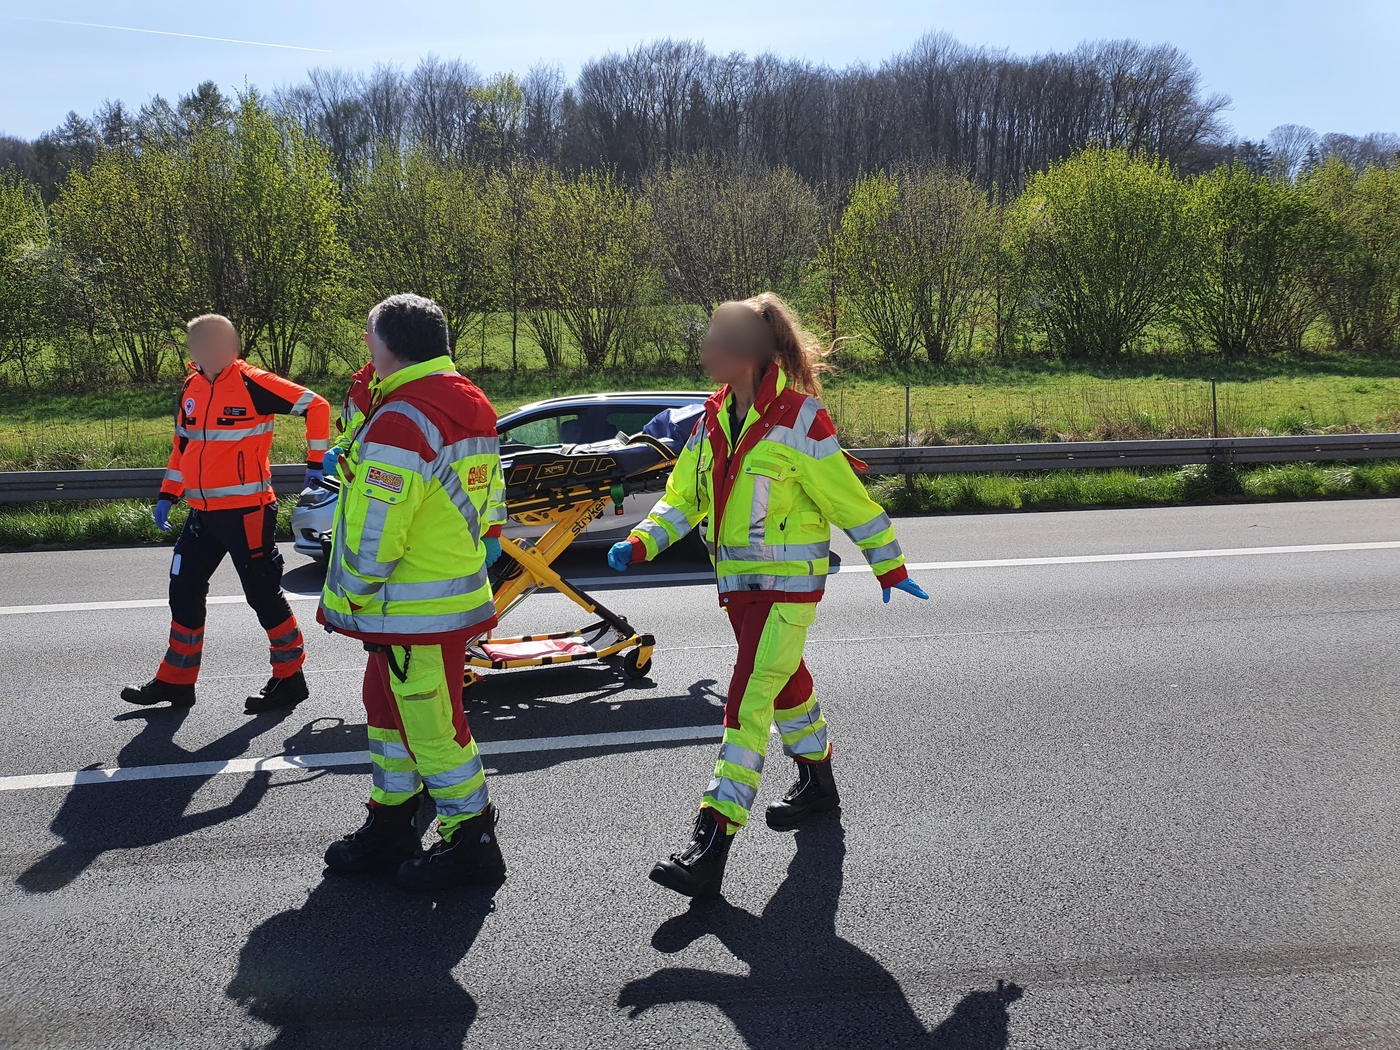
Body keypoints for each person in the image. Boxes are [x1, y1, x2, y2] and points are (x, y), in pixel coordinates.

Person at [608, 292, 929, 899]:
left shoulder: (801, 420)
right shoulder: (710, 418)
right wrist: (643, 541)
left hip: (787, 590)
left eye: (716, 338)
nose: (704, 347)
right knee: (786, 683)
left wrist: (889, 565)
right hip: (739, 590)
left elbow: (849, 501)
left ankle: (711, 841)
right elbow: (684, 498)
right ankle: (818, 782)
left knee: (746, 705)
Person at [318, 293, 507, 891]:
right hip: (433, 600)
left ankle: (472, 840)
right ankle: (391, 823)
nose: (365, 349)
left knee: (433, 729)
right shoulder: (464, 401)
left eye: (369, 339)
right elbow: (492, 499)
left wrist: (349, 595)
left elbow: (377, 533)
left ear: (385, 345)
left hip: (408, 608)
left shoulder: (403, 418)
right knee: (386, 711)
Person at [121, 314, 330, 715]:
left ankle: (290, 678)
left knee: (262, 594)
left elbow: (316, 405)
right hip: (202, 513)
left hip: (248, 512)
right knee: (183, 590)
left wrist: (316, 460)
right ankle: (176, 681)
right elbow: (183, 447)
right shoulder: (191, 386)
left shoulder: (253, 382)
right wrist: (169, 493)